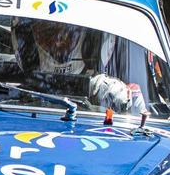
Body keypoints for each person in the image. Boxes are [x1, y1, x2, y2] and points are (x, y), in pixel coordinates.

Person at [16, 19, 146, 114]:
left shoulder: (113, 92)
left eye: (68, 32)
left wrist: (128, 101)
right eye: (48, 33)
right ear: (29, 38)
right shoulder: (5, 86)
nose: (58, 41)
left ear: (91, 40)